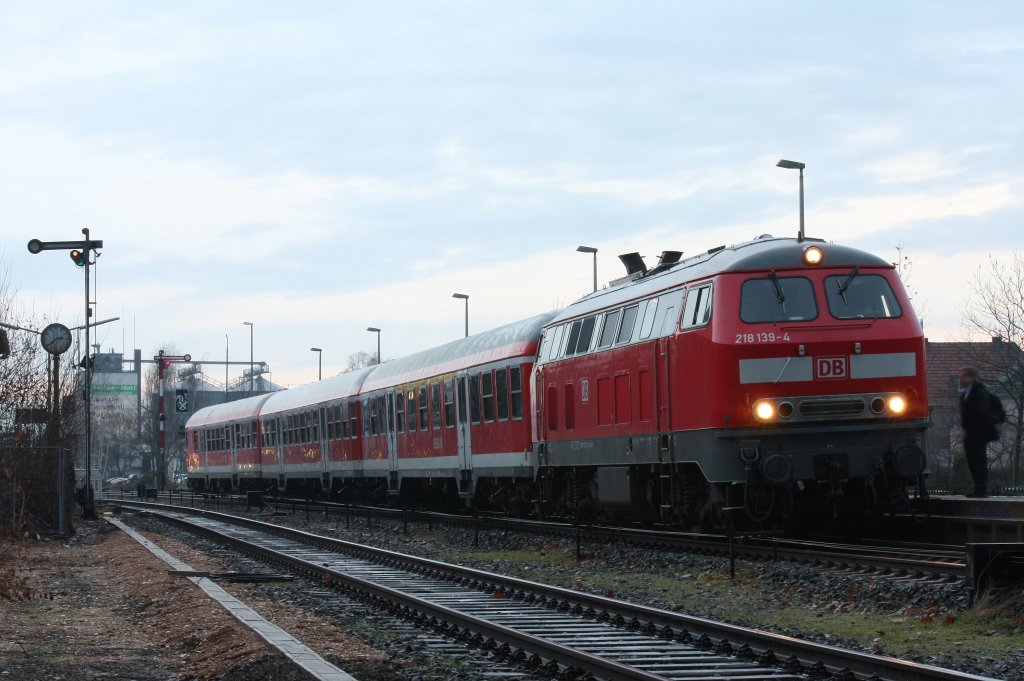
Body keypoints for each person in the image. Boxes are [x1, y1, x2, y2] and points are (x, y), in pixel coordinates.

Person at [959, 366, 998, 498]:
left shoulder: (978, 392)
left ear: (970, 377)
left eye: (963, 376)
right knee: (973, 461)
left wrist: (977, 428)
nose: (961, 379)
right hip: (971, 432)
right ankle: (978, 488)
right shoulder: (967, 393)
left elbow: (982, 411)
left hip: (977, 433)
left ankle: (981, 489)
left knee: (979, 461)